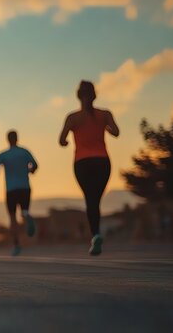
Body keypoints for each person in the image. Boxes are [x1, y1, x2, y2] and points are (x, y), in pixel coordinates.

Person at [59, 80, 119, 256]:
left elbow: (61, 141)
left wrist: (69, 139)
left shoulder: (73, 118)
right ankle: (96, 235)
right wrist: (105, 128)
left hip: (82, 162)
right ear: (94, 95)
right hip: (102, 161)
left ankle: (95, 235)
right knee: (96, 199)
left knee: (90, 200)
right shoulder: (105, 114)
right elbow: (116, 132)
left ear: (79, 96)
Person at [0, 130, 38, 256]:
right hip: (25, 187)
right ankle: (26, 214)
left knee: (12, 218)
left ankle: (16, 245)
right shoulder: (24, 152)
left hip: (11, 189)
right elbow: (35, 165)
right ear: (17, 138)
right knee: (24, 211)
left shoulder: (2, 155)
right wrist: (29, 171)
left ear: (7, 140)